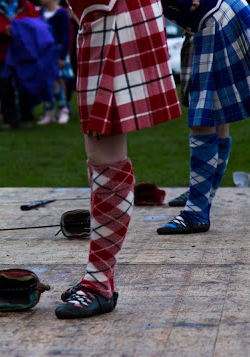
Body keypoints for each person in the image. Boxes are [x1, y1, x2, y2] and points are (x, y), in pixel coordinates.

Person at [55, 0, 181, 319]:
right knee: (101, 152)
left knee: (104, 153)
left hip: (110, 13)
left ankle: (99, 283)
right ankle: (99, 277)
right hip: (101, 14)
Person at [157, 0, 250, 235]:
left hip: (215, 18)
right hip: (216, 17)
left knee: (203, 118)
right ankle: (202, 193)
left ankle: (196, 211)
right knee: (216, 115)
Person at [0, 0, 40, 129]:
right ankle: (10, 120)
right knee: (4, 86)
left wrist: (19, 29)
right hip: (2, 54)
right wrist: (3, 30)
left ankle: (26, 117)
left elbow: (37, 26)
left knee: (24, 85)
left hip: (23, 54)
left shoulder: (26, 6)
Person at [36, 0, 72, 125]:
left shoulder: (61, 13)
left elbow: (66, 35)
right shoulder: (40, 13)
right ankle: (49, 111)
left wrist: (62, 56)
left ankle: (63, 109)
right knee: (47, 81)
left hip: (57, 51)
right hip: (45, 52)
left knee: (58, 80)